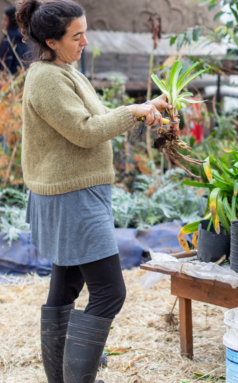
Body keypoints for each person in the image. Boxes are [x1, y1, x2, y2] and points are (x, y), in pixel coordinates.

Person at [16, 0, 171, 382]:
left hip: (76, 194)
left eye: (85, 31)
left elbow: (95, 120)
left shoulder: (64, 70)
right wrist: (134, 110)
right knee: (110, 293)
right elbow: (84, 132)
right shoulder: (47, 78)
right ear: (52, 41)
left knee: (66, 288)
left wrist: (141, 112)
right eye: (76, 35)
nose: (85, 41)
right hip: (73, 199)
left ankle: (62, 378)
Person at [1, 5, 32, 73]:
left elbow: (3, 66)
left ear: (12, 21)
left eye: (6, 19)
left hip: (8, 81)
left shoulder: (8, 39)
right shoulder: (28, 37)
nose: (2, 22)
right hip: (22, 78)